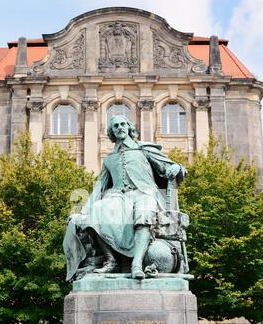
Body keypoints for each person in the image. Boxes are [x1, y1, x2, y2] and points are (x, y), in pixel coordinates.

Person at [64, 115, 186, 280]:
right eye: (116, 126)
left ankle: (137, 264)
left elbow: (170, 166)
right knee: (97, 210)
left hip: (145, 193)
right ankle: (110, 260)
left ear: (129, 127)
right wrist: (84, 211)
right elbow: (100, 186)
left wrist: (177, 168)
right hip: (119, 196)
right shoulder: (109, 159)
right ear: (112, 132)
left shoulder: (143, 149)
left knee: (143, 212)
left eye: (123, 124)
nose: (120, 127)